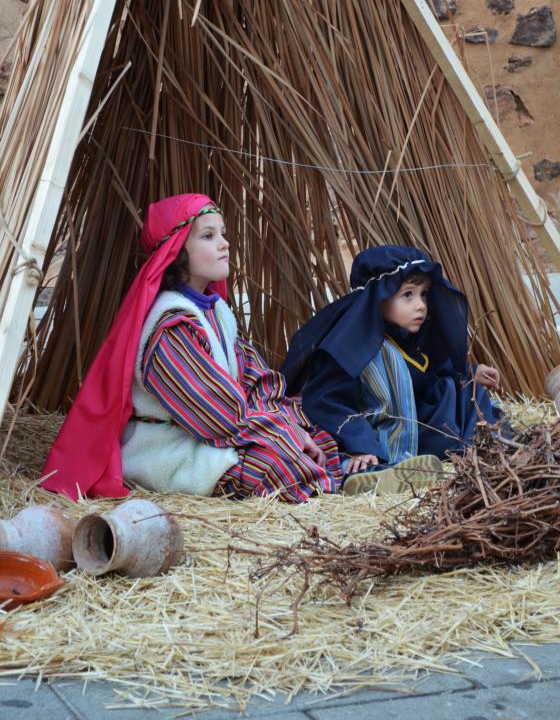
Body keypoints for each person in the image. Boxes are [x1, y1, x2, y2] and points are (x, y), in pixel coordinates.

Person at [41, 194, 341, 501]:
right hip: (172, 451)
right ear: (178, 252)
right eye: (209, 236)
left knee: (318, 436)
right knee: (277, 461)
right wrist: (283, 434)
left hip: (211, 437)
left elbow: (255, 379)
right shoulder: (172, 327)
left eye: (223, 234)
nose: (225, 243)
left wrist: (290, 425)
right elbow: (216, 414)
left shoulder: (215, 313)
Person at [281, 245, 503, 494]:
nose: (420, 305)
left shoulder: (410, 339)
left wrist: (470, 372)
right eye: (408, 295)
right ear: (379, 298)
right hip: (371, 434)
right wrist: (360, 444)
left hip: (415, 425)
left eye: (424, 295)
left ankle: (490, 446)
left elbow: (430, 374)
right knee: (339, 459)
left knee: (463, 391)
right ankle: (376, 477)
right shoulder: (351, 346)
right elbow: (326, 399)